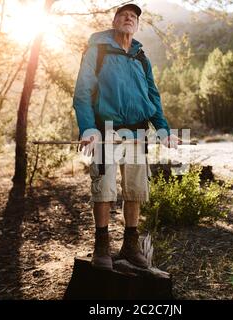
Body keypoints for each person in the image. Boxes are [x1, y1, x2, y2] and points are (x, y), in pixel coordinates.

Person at [72, 3, 180, 270]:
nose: (129, 18)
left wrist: (163, 128)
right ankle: (102, 247)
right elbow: (82, 93)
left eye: (134, 16)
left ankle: (130, 247)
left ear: (137, 25)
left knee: (134, 190)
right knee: (104, 189)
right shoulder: (97, 50)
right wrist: (87, 127)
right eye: (124, 15)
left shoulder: (141, 57)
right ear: (115, 21)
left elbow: (153, 97)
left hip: (137, 133)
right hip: (105, 131)